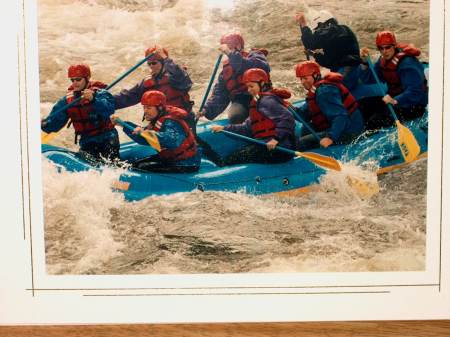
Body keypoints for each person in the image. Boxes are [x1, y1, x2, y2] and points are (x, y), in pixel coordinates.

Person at [210, 68, 295, 166]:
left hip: (280, 149)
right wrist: (224, 128)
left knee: (236, 158)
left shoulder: (267, 101)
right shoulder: (258, 102)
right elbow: (246, 127)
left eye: (251, 86)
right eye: (247, 87)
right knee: (237, 155)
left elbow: (287, 119)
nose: (249, 90)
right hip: (267, 145)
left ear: (262, 83)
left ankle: (222, 166)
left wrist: (276, 139)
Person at [41, 64, 119, 162]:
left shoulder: (101, 93)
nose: (75, 83)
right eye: (72, 80)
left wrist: (93, 99)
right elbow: (55, 124)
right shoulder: (67, 101)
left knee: (111, 163)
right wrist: (45, 124)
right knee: (88, 162)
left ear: (88, 78)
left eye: (78, 79)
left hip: (107, 139)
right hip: (87, 141)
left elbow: (109, 110)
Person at [111, 90, 200, 172]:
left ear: (160, 108)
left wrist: (146, 133)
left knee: (141, 167)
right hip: (170, 159)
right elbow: (144, 139)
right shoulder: (157, 119)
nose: (145, 111)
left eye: (149, 108)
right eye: (144, 107)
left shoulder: (171, 121)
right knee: (136, 164)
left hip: (187, 163)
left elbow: (172, 141)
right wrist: (123, 124)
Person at [359, 30, 428, 129]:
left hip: (414, 105)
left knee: (374, 121)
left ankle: (370, 135)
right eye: (381, 48)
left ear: (394, 46)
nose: (384, 51)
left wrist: (395, 100)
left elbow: (416, 92)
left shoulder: (407, 64)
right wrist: (365, 63)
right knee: (363, 105)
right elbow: (370, 79)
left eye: (387, 47)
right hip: (393, 99)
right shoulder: (383, 60)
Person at [113, 46, 195, 128]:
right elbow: (129, 97)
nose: (151, 66)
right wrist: (109, 100)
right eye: (149, 63)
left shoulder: (177, 76)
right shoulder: (148, 81)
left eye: (154, 63)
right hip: (162, 121)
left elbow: (183, 80)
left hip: (182, 119)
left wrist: (166, 58)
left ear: (163, 62)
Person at [198, 32, 271, 124]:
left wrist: (230, 53)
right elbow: (219, 95)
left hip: (262, 95)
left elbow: (254, 67)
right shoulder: (225, 71)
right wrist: (206, 110)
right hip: (241, 101)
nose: (229, 51)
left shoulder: (255, 56)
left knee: (270, 108)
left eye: (231, 47)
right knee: (236, 115)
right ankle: (245, 132)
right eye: (228, 49)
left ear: (239, 46)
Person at [293, 61, 364, 150]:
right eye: (301, 79)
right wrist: (287, 107)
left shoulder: (324, 92)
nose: (302, 82)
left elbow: (341, 116)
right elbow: (304, 116)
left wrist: (330, 137)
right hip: (336, 126)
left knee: (301, 143)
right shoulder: (315, 89)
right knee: (307, 128)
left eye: (305, 78)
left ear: (315, 75)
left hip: (349, 130)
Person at [294, 10, 361, 90]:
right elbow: (329, 61)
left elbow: (310, 42)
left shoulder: (334, 30)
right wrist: (314, 54)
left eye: (317, 28)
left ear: (323, 23)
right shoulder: (336, 34)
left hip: (348, 68)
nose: (317, 31)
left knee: (329, 89)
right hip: (345, 68)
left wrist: (303, 24)